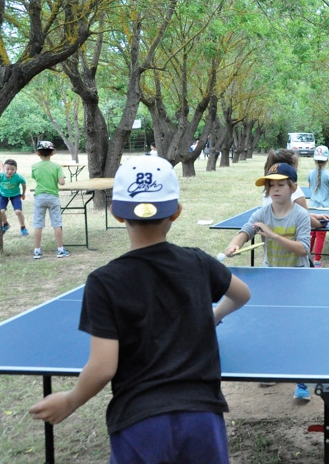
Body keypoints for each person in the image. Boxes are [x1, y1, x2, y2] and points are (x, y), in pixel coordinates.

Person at [29, 155, 252, 463]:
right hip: (202, 416)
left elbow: (103, 366)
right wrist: (213, 316)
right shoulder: (198, 262)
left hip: (139, 421)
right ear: (176, 212)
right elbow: (242, 294)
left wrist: (70, 400)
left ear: (117, 214)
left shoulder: (104, 281)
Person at [225, 162, 312, 400]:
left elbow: (304, 249)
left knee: (296, 331)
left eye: (281, 185)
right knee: (273, 327)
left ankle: (302, 381)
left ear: (292, 188)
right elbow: (247, 229)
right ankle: (273, 370)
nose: (275, 189)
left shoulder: (301, 215)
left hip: (296, 279)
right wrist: (237, 242)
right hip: (271, 277)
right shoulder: (263, 213)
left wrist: (273, 235)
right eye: (271, 185)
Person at [31, 141, 69, 259]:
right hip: (53, 197)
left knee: (38, 224)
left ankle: (37, 250)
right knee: (57, 223)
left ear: (38, 153)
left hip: (39, 197)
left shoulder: (35, 166)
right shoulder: (56, 166)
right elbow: (62, 182)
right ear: (52, 153)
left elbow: (35, 178)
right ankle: (60, 250)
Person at [1, 159, 28, 236]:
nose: (10, 171)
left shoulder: (18, 177)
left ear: (16, 169)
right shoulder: (1, 176)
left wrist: (23, 193)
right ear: (4, 168)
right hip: (3, 195)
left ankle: (23, 228)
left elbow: (24, 184)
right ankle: (5, 225)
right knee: (1, 211)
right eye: (7, 169)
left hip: (15, 195)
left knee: (18, 212)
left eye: (12, 169)